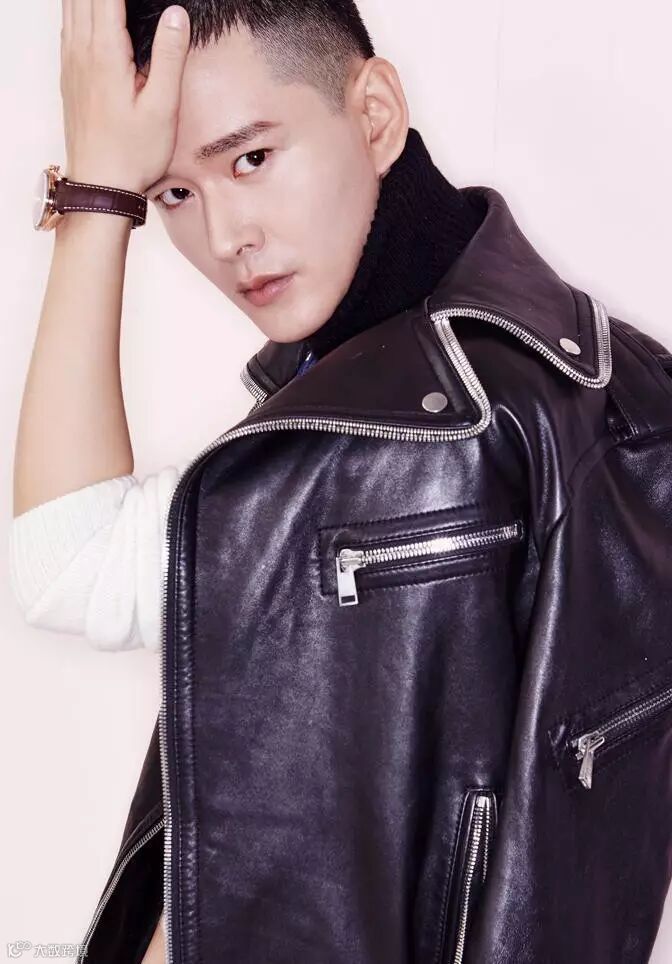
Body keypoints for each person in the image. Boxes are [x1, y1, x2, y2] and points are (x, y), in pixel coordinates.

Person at [10, 1, 672, 962]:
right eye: (174, 194)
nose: (226, 235)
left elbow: (67, 563)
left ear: (375, 114)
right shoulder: (602, 373)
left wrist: (95, 198)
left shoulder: (405, 435)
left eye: (251, 158)